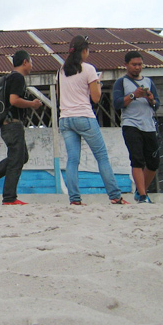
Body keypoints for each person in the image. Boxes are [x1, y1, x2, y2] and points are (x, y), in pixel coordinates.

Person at [58, 35, 129, 205]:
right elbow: (96, 98)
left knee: (73, 160)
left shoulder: (61, 70)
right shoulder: (88, 69)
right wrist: (97, 82)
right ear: (84, 51)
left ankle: (74, 199)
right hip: (84, 116)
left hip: (65, 118)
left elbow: (60, 95)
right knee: (102, 157)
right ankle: (115, 195)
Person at [0, 50, 42, 205]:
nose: (31, 65)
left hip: (8, 125)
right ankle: (9, 197)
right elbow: (14, 100)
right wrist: (32, 104)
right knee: (16, 159)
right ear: (25, 62)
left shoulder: (10, 77)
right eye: (31, 61)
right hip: (12, 124)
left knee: (22, 157)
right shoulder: (17, 77)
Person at [112, 51, 161, 203]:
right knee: (137, 160)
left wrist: (152, 99)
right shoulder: (121, 82)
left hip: (149, 126)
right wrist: (134, 95)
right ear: (126, 65)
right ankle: (143, 196)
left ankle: (141, 192)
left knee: (153, 162)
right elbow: (118, 103)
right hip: (131, 125)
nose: (137, 68)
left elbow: (157, 104)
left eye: (140, 65)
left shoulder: (149, 82)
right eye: (134, 65)